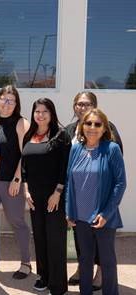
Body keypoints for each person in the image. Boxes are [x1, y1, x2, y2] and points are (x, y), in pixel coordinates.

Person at [63, 91, 123, 289]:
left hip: (103, 217)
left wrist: (106, 213)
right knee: (85, 260)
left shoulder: (111, 149)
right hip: (79, 216)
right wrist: (68, 210)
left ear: (104, 127)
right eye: (88, 124)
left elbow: (120, 183)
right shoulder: (76, 149)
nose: (92, 127)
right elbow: (69, 180)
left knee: (106, 261)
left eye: (97, 124)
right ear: (82, 126)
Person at [20, 98, 70, 295]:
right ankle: (44, 277)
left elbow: (64, 167)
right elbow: (24, 167)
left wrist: (57, 192)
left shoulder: (61, 136)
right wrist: (25, 190)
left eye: (44, 111)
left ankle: (58, 285)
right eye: (37, 111)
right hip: (34, 196)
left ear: (52, 114)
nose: (40, 115)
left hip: (53, 197)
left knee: (55, 239)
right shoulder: (29, 135)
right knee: (40, 237)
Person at [0, 85, 32, 279]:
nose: (6, 104)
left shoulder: (21, 123)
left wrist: (17, 179)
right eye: (3, 99)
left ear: (16, 104)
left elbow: (26, 154)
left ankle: (26, 263)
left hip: (10, 183)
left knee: (17, 222)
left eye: (10, 100)